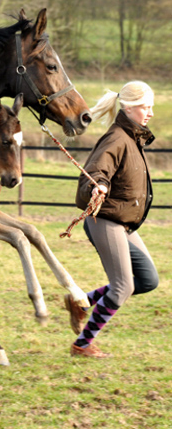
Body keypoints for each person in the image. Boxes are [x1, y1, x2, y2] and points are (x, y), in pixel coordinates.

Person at [64, 80, 159, 358]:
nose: (150, 113)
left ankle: (82, 304)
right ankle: (82, 345)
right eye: (145, 107)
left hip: (123, 222)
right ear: (128, 107)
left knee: (147, 280)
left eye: (151, 107)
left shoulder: (133, 138)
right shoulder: (117, 138)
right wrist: (98, 185)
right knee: (123, 286)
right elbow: (96, 170)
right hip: (103, 219)